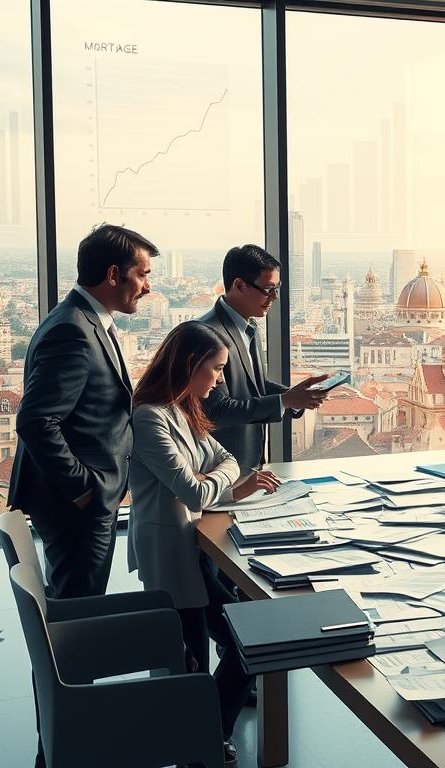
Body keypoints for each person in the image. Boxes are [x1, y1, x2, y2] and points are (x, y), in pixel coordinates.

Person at [128, 321, 271, 767]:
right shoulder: (150, 416)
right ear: (191, 365)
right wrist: (220, 481)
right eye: (216, 369)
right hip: (171, 554)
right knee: (239, 642)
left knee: (237, 637)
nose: (220, 380)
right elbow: (194, 492)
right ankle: (206, 734)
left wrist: (222, 481)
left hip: (191, 546)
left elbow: (225, 460)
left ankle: (206, 728)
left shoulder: (183, 409)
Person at [10, 224, 155, 599]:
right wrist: (83, 490)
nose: (148, 287)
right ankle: (65, 660)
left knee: (77, 602)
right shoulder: (73, 331)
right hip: (76, 506)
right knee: (79, 608)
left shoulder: (84, 320)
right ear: (112, 274)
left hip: (83, 500)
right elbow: (35, 420)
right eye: (142, 274)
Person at [199, 244, 330, 474]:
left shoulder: (249, 326)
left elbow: (254, 386)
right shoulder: (205, 333)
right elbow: (217, 410)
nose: (275, 297)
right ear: (239, 285)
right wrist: (284, 401)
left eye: (277, 288)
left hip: (250, 467)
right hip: (217, 471)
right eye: (268, 289)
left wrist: (293, 395)